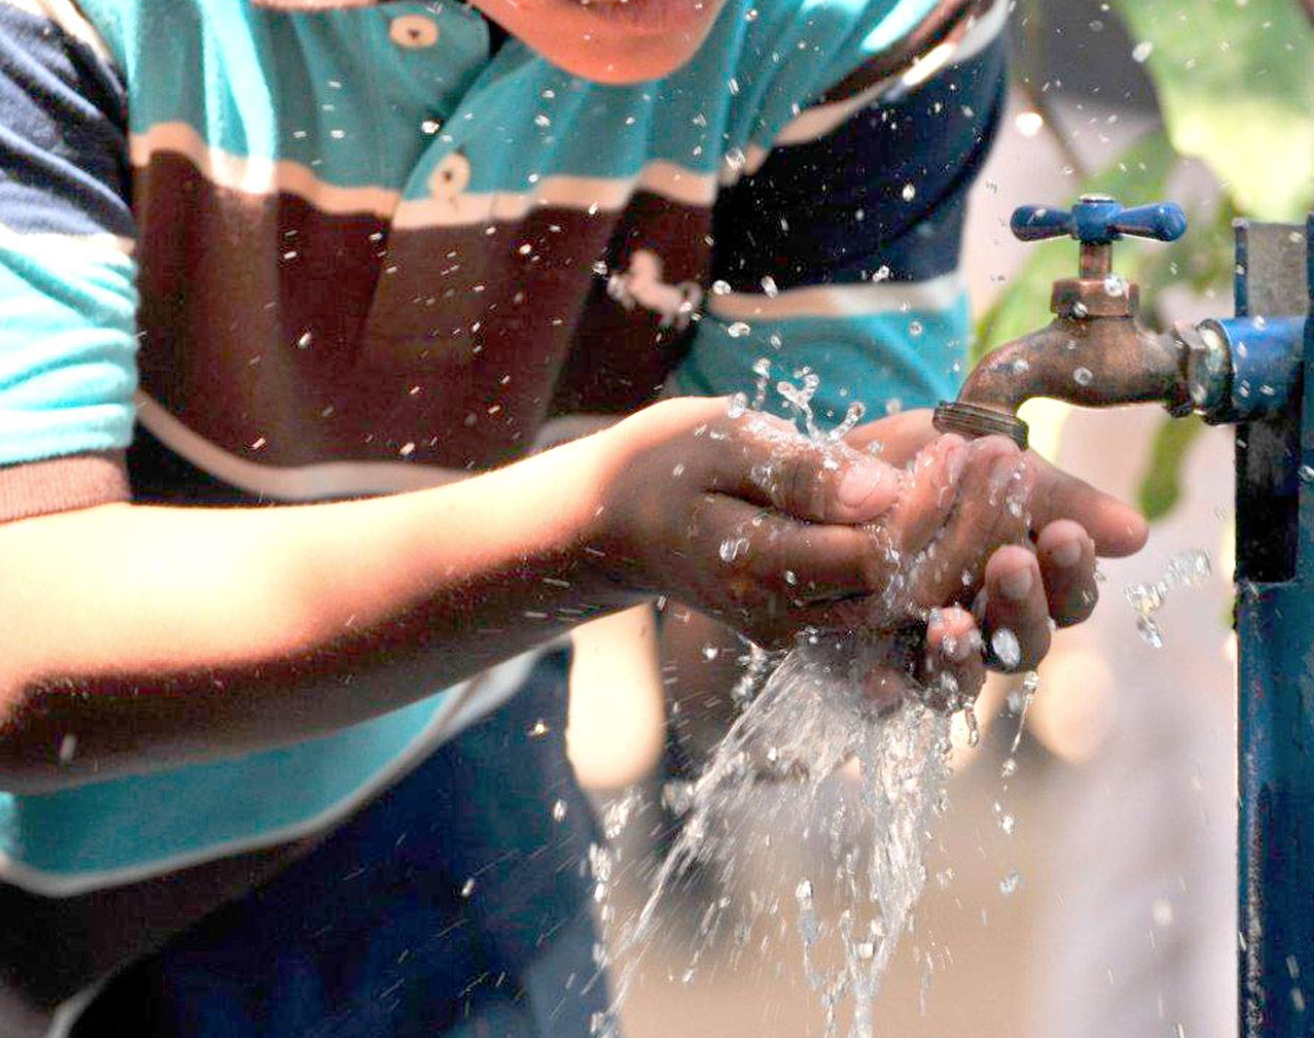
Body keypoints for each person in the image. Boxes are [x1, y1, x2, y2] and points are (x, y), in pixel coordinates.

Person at [0, 0, 1147, 1033]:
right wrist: (587, 533)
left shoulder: (853, 21)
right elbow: (21, 627)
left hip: (405, 769)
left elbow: (752, 636)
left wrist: (863, 576)